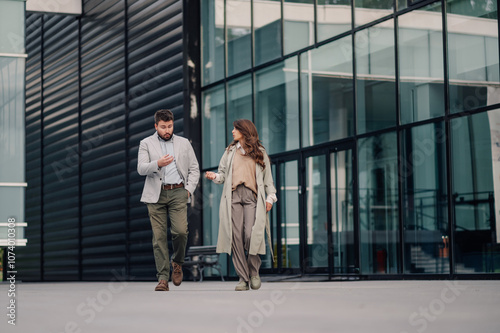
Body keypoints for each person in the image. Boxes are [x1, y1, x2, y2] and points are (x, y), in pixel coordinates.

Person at [205, 119, 277, 291]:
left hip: (252, 197)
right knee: (235, 237)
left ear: (244, 131)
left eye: (235, 129)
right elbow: (222, 175)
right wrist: (214, 176)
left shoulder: (260, 152)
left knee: (251, 235)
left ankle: (254, 273)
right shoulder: (230, 151)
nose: (232, 131)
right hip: (233, 197)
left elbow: (268, 179)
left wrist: (270, 198)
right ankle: (243, 278)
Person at [137, 109, 200, 291]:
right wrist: (158, 163)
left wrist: (188, 190)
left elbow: (194, 168)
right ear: (156, 126)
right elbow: (141, 168)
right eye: (163, 127)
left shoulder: (183, 143)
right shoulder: (146, 143)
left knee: (180, 232)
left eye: (170, 126)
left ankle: (177, 263)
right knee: (159, 238)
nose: (167, 130)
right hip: (155, 194)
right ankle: (163, 278)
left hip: (179, 192)